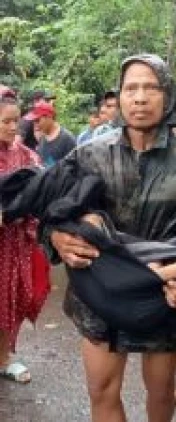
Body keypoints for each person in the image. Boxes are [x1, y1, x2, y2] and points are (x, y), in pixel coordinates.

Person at [41, 54, 176, 422]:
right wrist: (56, 239)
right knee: (101, 390)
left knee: (160, 392)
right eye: (131, 88)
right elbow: (49, 213)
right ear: (120, 97)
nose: (140, 98)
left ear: (167, 94)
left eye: (150, 87)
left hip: (164, 289)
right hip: (99, 288)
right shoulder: (88, 154)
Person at [0, 89, 48, 385]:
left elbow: (42, 189)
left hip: (13, 243)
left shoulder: (26, 154)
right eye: (5, 121)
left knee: (10, 300)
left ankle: (4, 357)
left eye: (15, 121)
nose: (12, 127)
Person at [27, 102, 76, 168]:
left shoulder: (67, 139)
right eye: (33, 121)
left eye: (37, 120)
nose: (35, 125)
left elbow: (75, 169)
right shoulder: (42, 137)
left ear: (49, 117)